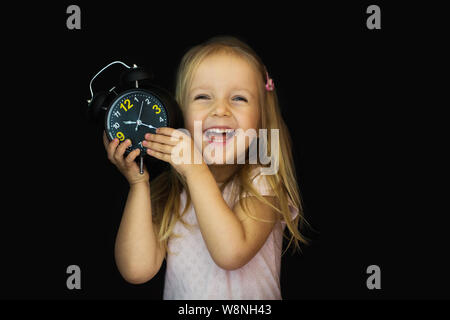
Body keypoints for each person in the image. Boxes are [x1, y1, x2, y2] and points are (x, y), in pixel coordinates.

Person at [103, 36, 309, 299]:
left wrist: (195, 170)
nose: (220, 110)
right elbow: (136, 269)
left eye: (238, 98)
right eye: (202, 96)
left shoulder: (263, 182)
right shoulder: (171, 192)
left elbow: (231, 253)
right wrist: (138, 183)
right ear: (179, 115)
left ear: (261, 120)